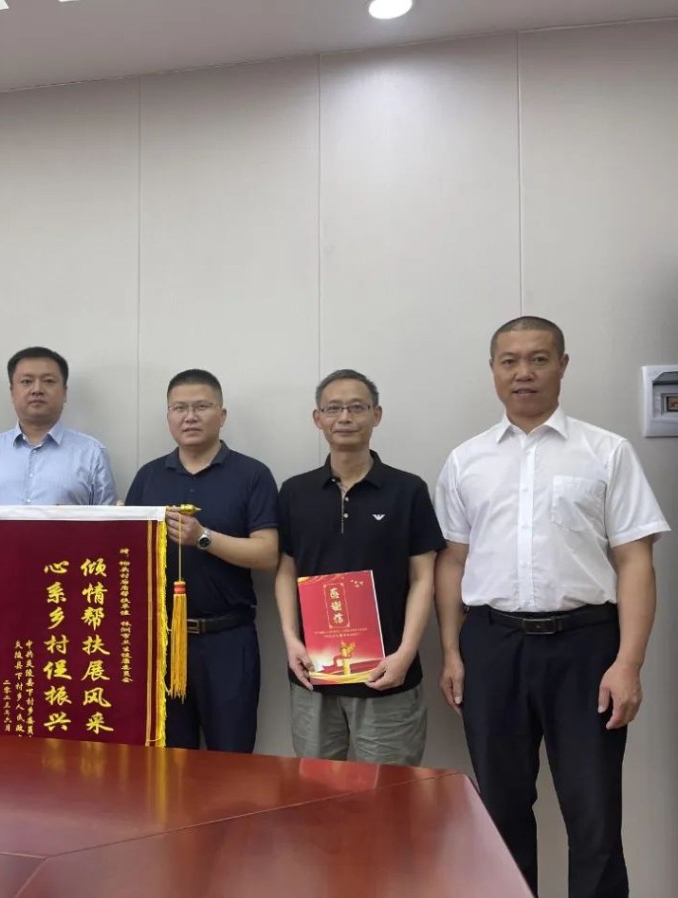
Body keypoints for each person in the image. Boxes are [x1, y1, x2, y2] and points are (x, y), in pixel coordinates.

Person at [434, 316, 670, 898]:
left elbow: (635, 561)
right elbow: (452, 562)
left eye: (539, 359)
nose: (524, 373)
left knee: (594, 812)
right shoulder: (465, 460)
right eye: (510, 361)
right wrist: (452, 652)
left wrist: (629, 663)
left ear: (563, 365)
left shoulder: (606, 452)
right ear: (493, 370)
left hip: (587, 648)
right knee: (500, 809)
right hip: (492, 646)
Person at [276, 369, 445, 766]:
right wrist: (290, 639)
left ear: (376, 415)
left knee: (390, 793)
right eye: (333, 408)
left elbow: (424, 578)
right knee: (316, 791)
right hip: (314, 673)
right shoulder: (295, 491)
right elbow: (285, 570)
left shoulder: (408, 490)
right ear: (318, 418)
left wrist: (406, 653)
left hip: (388, 675)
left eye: (357, 407)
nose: (345, 417)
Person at [125, 369, 278, 752]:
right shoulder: (149, 476)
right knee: (167, 758)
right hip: (161, 640)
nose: (190, 417)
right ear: (168, 416)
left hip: (228, 639)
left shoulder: (252, 474)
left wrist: (203, 538)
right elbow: (128, 557)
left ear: (221, 415)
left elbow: (267, 554)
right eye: (179, 408)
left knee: (231, 757)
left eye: (201, 407)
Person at [0, 347, 116, 542]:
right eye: (27, 381)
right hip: (1, 561)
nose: (37, 390)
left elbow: (110, 529)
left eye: (48, 381)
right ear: (12, 392)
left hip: (67, 561)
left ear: (64, 392)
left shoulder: (92, 453)